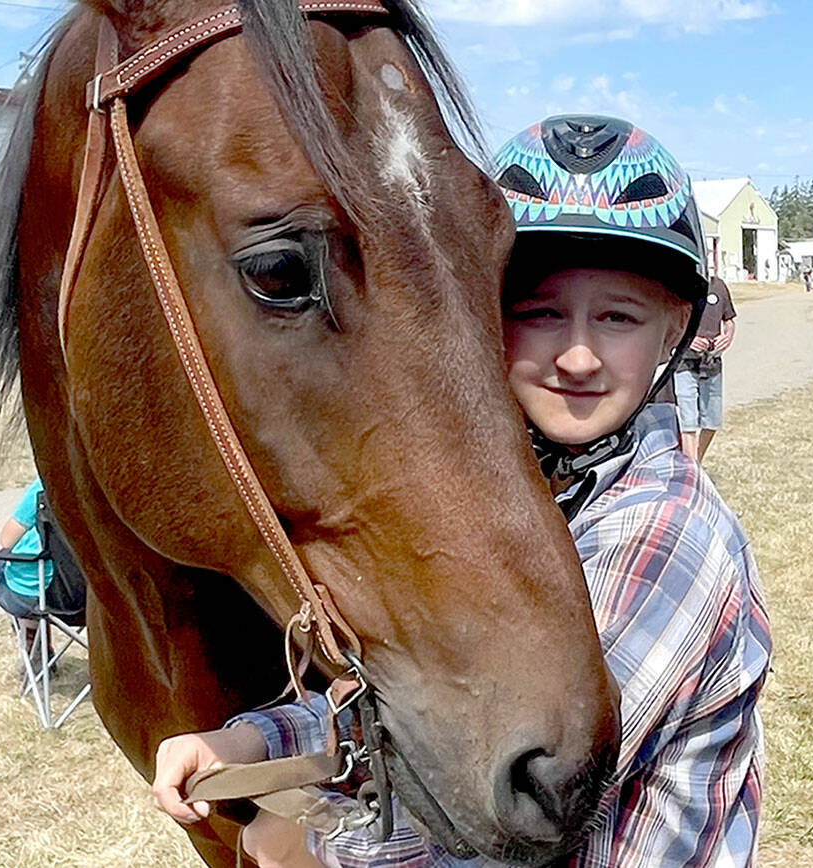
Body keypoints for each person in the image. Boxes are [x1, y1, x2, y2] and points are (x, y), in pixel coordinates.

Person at [150, 115, 771, 868]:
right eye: (539, 313)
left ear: (674, 329)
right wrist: (249, 738)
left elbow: (529, 803)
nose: (577, 354)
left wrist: (306, 844)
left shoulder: (662, 532)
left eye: (617, 317)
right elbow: (437, 704)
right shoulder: (533, 501)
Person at [673, 274, 736, 463]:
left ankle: (696, 463)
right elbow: (670, 322)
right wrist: (688, 340)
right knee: (687, 420)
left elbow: (729, 320)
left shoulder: (719, 286)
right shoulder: (682, 283)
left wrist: (728, 336)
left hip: (711, 363)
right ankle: (691, 469)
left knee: (712, 420)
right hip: (684, 362)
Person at [0, 476, 54, 651]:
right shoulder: (99, 484)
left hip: (36, 597)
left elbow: (7, 539)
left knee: (3, 563)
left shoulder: (44, 485)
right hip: (87, 594)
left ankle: (34, 648)